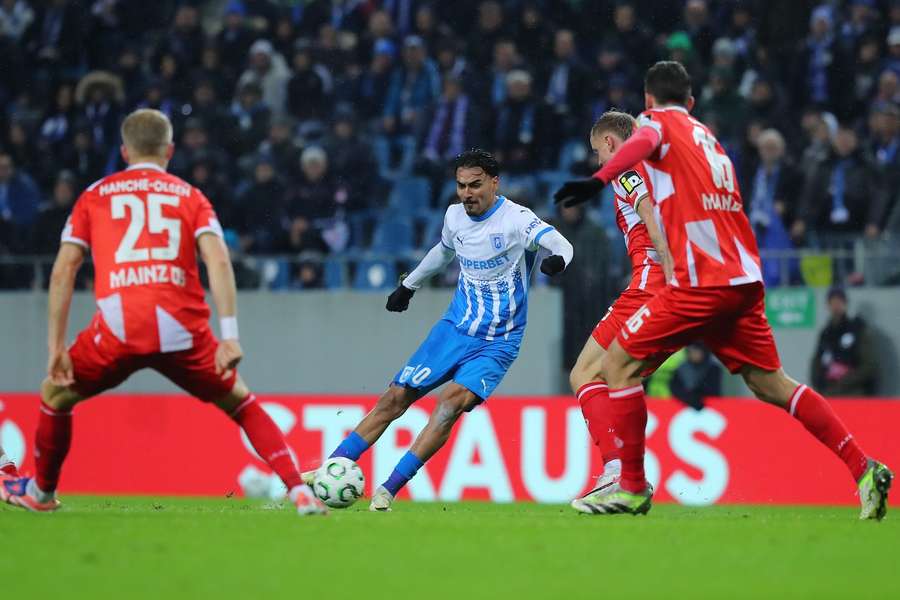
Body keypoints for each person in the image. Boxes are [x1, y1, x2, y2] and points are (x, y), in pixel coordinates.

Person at [554, 61, 892, 520]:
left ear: (648, 105)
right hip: (741, 279)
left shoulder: (652, 132)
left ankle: (626, 481)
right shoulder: (708, 140)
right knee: (770, 383)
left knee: (612, 366)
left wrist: (598, 179)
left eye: (600, 153)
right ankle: (863, 466)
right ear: (692, 101)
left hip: (689, 280)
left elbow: (647, 161)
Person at [0, 109, 326, 516]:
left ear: (124, 151)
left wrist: (55, 346)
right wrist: (229, 335)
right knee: (242, 404)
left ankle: (43, 494)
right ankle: (299, 491)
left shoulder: (95, 196)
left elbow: (65, 267)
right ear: (169, 150)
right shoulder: (189, 196)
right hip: (181, 330)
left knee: (54, 394)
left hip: (118, 328)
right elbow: (219, 260)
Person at [303, 149, 573, 511]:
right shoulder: (453, 217)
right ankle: (330, 468)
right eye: (461, 186)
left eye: (475, 185)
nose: (466, 193)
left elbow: (560, 243)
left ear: (494, 183)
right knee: (395, 398)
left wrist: (557, 261)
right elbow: (444, 252)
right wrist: (409, 285)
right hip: (454, 328)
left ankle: (388, 489)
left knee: (449, 406)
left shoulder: (515, 219)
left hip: (498, 341)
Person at [565, 111, 673, 512]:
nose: (598, 162)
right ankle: (629, 478)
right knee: (617, 377)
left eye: (597, 152)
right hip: (661, 284)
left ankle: (618, 472)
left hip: (649, 285)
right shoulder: (656, 168)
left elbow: (650, 215)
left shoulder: (628, 169)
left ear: (611, 143)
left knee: (583, 373)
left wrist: (669, 268)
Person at [810, 287, 878, 396]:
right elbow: (816, 363)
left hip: (854, 393)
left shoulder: (857, 330)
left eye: (839, 302)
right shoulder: (825, 333)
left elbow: (869, 366)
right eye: (832, 302)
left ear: (845, 303)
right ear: (827, 305)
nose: (835, 306)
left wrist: (845, 378)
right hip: (829, 392)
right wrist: (820, 383)